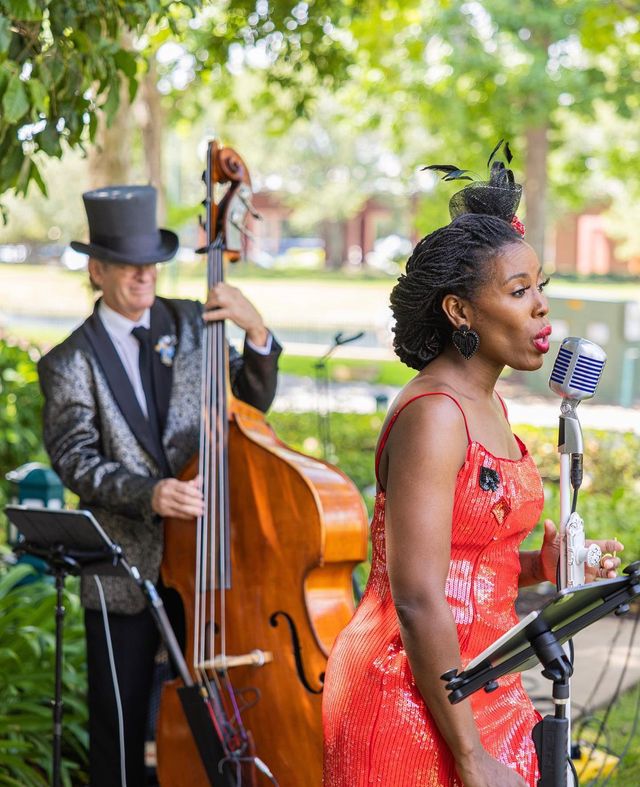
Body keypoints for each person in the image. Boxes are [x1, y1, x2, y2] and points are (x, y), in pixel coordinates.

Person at [322, 149, 623, 787]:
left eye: (541, 287)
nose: (541, 308)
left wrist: (549, 565)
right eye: (518, 292)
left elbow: (472, 565)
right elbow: (418, 594)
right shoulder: (434, 415)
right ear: (460, 311)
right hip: (409, 695)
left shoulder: (487, 401)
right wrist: (469, 755)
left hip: (483, 678)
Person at [38, 185, 281, 787]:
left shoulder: (192, 323)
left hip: (203, 565)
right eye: (128, 264)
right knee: (120, 725)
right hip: (124, 571)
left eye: (151, 262)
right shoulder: (68, 362)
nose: (144, 275)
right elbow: (77, 462)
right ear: (97, 270)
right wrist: (149, 493)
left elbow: (249, 401)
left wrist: (257, 334)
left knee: (212, 716)